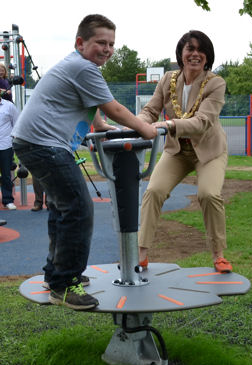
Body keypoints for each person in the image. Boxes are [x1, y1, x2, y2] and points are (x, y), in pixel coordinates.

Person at [12, 14, 157, 311]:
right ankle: (66, 285)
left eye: (112, 44)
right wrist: (147, 129)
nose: (107, 49)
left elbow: (94, 107)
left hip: (34, 142)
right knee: (78, 208)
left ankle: (56, 274)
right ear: (81, 42)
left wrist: (101, 126)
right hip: (44, 144)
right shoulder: (83, 66)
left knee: (62, 208)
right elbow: (114, 107)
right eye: (100, 42)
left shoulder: (78, 66)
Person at [138, 30, 232, 274]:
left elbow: (202, 122)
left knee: (209, 195)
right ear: (181, 54)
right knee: (154, 191)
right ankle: (141, 254)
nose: (195, 54)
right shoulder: (168, 79)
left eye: (201, 50)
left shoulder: (215, 83)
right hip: (177, 150)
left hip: (209, 151)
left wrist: (169, 125)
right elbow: (150, 111)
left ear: (207, 56)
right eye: (190, 49)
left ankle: (219, 255)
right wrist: (137, 124)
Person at [0, 95, 18, 210]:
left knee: (6, 174)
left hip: (5, 145)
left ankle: (8, 200)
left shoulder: (9, 106)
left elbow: (16, 124)